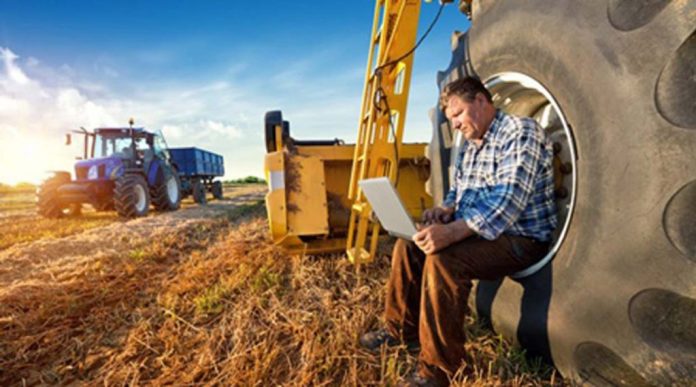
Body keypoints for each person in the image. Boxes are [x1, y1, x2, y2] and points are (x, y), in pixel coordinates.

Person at [359, 76, 558, 387]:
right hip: (484, 234)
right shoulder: (471, 144)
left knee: (443, 260)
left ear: (481, 100)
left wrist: (451, 233)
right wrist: (445, 210)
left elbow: (507, 202)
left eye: (458, 114)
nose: (455, 125)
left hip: (520, 238)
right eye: (450, 118)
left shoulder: (520, 132)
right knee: (409, 246)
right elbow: (460, 191)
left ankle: (439, 371)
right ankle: (400, 331)